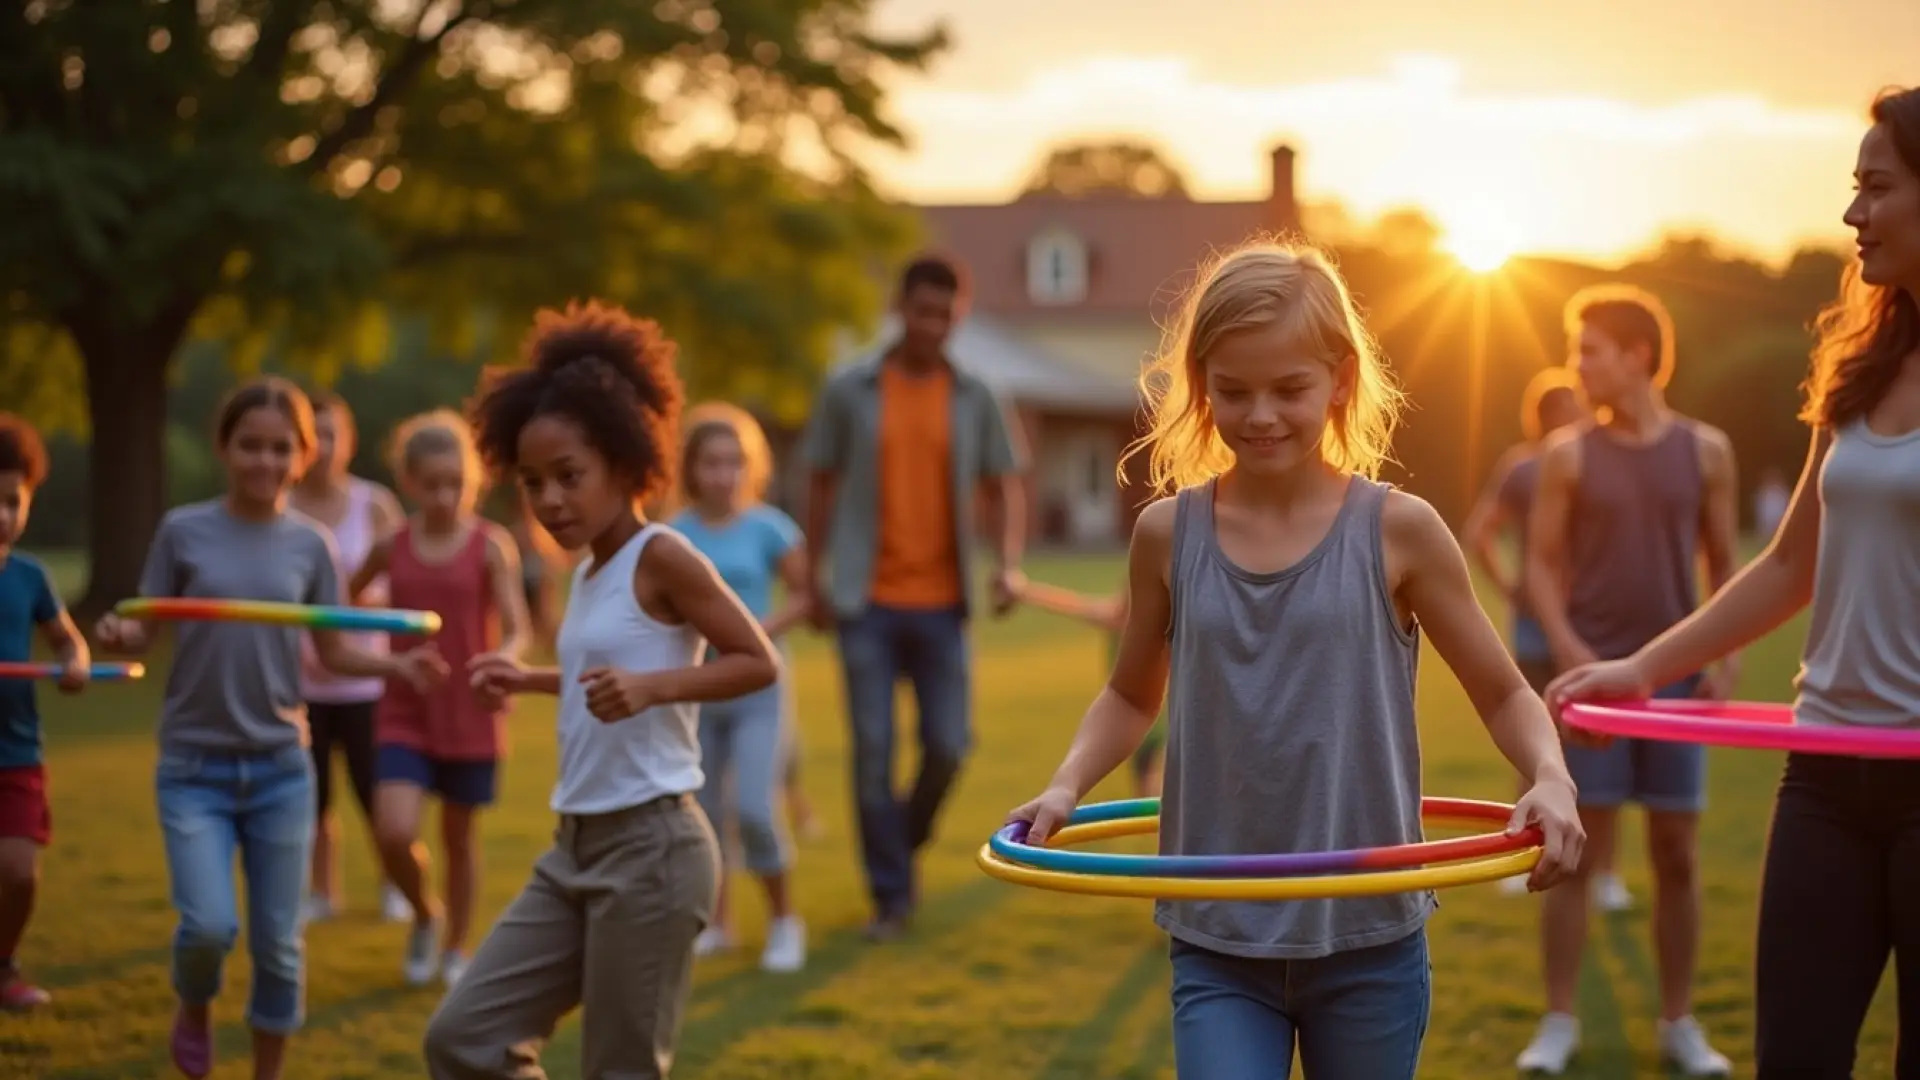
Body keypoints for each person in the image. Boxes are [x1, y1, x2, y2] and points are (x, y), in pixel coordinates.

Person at [1007, 240, 1584, 1079]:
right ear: (1201, 384)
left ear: (1341, 380)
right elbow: (1132, 696)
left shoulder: (1399, 530)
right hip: (1219, 938)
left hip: (1369, 938)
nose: (1260, 415)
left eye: (1289, 389)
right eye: (1232, 391)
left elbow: (1502, 692)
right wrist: (1066, 785)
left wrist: (1550, 775)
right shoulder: (1167, 534)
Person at [1549, 84, 1920, 1080]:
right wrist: (1641, 670)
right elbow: (1790, 565)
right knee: (1794, 1056)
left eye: (1875, 189)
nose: (1852, 215)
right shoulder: (1860, 372)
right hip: (1828, 769)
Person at [424, 300, 780, 1080]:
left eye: (569, 476)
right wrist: (531, 679)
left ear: (625, 461)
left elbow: (757, 660)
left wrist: (654, 688)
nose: (550, 500)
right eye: (533, 482)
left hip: (653, 850)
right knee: (462, 1040)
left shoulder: (664, 555)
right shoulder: (587, 571)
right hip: (573, 848)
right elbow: (604, 679)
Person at [94, 377, 447, 1080]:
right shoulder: (183, 530)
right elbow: (145, 624)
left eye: (280, 448)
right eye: (250, 445)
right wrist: (117, 632)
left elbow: (336, 648)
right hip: (195, 768)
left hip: (281, 765)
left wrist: (398, 672)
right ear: (225, 448)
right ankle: (194, 1001)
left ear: (303, 454)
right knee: (207, 929)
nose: (264, 461)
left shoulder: (311, 545)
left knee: (279, 946)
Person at [1516, 285, 1741, 1076]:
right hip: (1593, 682)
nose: (1577, 365)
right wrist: (1576, 653)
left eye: (1590, 350)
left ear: (1637, 356)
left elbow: (1723, 560)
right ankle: (1559, 1021)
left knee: (1676, 854)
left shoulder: (1707, 449)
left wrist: (1726, 657)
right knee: (1577, 848)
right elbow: (1540, 566)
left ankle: (1679, 1023)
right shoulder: (1567, 454)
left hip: (1677, 685)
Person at [798, 253, 1028, 941]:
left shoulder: (976, 394)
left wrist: (1008, 562)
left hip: (942, 601)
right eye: (922, 312)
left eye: (946, 316)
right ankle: (891, 898)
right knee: (872, 751)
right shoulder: (851, 389)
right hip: (864, 600)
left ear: (959, 315)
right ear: (900, 308)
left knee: (950, 745)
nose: (933, 327)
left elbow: (1004, 485)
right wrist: (812, 574)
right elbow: (818, 481)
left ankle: (900, 841)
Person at [349, 410, 531, 989]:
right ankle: (427, 912)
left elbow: (518, 626)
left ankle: (456, 946)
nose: (444, 495)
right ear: (410, 483)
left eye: (456, 483)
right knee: (394, 831)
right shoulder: (391, 545)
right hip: (405, 703)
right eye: (431, 484)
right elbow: (344, 602)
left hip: (471, 707)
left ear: (473, 481)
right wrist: (379, 645)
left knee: (459, 835)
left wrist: (504, 658)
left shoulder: (490, 545)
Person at [1461, 370, 1633, 908]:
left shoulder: (1583, 461)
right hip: (1555, 629)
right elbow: (1479, 533)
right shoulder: (1531, 467)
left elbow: (1478, 534)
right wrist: (1514, 587)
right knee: (1546, 745)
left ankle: (1600, 870)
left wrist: (1512, 586)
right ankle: (1559, 859)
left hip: (1586, 626)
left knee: (1579, 749)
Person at [670, 402, 811, 972]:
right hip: (700, 690)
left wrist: (751, 633)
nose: (723, 474)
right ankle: (718, 925)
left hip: (759, 685)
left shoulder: (770, 529)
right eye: (711, 462)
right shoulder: (673, 535)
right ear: (691, 468)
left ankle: (784, 922)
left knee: (754, 808)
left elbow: (805, 598)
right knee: (702, 814)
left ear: (751, 468)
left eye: (735, 462)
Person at [289, 391, 412, 925]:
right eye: (312, 435)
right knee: (314, 797)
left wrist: (359, 598)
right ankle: (322, 892)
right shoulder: (284, 507)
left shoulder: (375, 504)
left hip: (366, 681)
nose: (322, 446)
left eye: (331, 433)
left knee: (375, 796)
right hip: (302, 681)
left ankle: (395, 885)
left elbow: (407, 579)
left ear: (348, 441)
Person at [0, 414, 90, 1012]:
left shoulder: (30, 576)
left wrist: (75, 662)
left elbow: (67, 640)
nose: (1, 514)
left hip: (16, 751)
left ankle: (2, 965)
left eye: (12, 501)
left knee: (20, 873)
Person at [1009, 580, 1165, 798]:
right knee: (1151, 790)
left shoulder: (1148, 623)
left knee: (1158, 784)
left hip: (1157, 719)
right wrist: (1027, 593)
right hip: (1137, 720)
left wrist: (1026, 593)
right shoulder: (1119, 619)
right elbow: (1071, 604)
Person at [1752, 466, 1790, 541]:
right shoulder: (1763, 494)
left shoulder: (1783, 493)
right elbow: (1760, 510)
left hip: (1780, 522)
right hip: (1767, 524)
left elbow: (1787, 508)